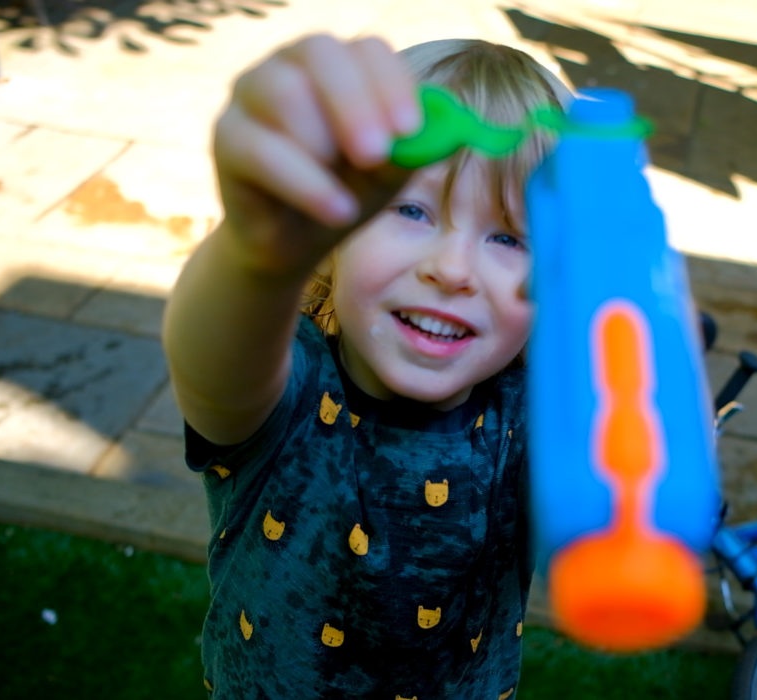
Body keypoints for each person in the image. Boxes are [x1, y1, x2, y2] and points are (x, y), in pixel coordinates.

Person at [162, 33, 573, 699]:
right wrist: (251, 251)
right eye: (409, 208)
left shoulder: (532, 416)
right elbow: (212, 360)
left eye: (508, 236)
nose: (452, 269)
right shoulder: (288, 392)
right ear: (329, 236)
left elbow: (621, 519)